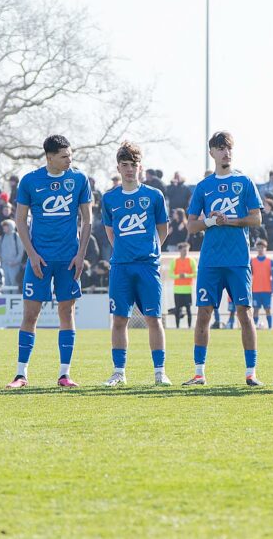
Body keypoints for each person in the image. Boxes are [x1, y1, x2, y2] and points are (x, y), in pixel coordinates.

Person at [6, 135, 92, 389]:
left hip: (68, 259)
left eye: (70, 155)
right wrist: (31, 254)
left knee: (67, 313)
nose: (69, 160)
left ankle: (64, 374)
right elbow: (20, 220)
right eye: (64, 156)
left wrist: (81, 255)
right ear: (49, 157)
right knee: (30, 314)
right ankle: (21, 374)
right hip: (39, 260)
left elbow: (87, 220)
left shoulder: (79, 179)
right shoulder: (30, 181)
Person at [184, 131, 263, 386]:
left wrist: (231, 221)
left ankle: (251, 373)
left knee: (245, 314)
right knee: (203, 314)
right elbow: (191, 226)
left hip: (238, 260)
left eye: (228, 148)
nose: (225, 152)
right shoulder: (203, 187)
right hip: (210, 261)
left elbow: (256, 218)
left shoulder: (244, 181)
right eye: (220, 148)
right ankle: (199, 373)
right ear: (212, 153)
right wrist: (210, 220)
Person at [100, 142, 170, 386]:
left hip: (147, 266)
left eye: (134, 165)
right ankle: (119, 372)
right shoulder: (109, 198)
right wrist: (126, 251)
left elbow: (163, 229)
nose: (130, 169)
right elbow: (111, 233)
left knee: (154, 318)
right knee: (119, 319)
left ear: (141, 167)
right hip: (121, 266)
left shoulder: (153, 195)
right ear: (118, 167)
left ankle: (160, 372)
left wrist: (149, 250)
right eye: (125, 165)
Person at [171, 242, 196, 328]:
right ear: (180, 250)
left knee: (188, 309)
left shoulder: (191, 260)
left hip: (187, 289)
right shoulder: (175, 261)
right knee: (177, 309)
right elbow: (170, 274)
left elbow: (195, 273)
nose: (186, 252)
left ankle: (189, 327)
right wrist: (178, 276)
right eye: (184, 250)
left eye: (187, 250)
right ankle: (177, 327)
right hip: (177, 290)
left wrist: (186, 275)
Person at [250, 240, 273, 329]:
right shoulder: (252, 261)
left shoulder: (270, 261)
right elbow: (249, 275)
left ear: (265, 248)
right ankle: (254, 327)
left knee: (268, 309)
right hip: (255, 290)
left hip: (267, 290)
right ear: (257, 248)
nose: (260, 249)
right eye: (259, 247)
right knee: (255, 310)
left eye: (262, 247)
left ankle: (270, 327)